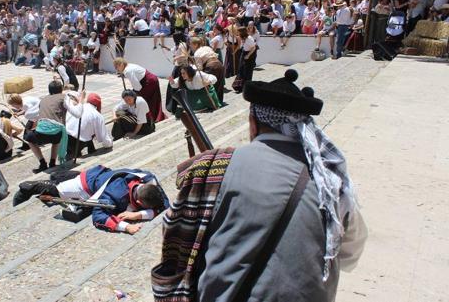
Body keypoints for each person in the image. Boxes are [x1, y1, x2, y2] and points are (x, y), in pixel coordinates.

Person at [152, 69, 367, 302]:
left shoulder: (216, 168)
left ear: (253, 121)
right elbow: (349, 254)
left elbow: (177, 229)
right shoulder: (331, 181)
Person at [12, 164, 169, 234]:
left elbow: (164, 203)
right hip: (84, 185)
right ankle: (30, 186)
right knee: (56, 190)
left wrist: (138, 215)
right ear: (140, 202)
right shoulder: (113, 195)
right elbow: (98, 216)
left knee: (60, 178)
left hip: (100, 175)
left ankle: (57, 175)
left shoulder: (149, 179)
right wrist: (125, 227)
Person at [24, 81, 84, 173]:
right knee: (57, 136)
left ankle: (42, 162)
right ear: (61, 90)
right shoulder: (64, 97)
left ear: (49, 90)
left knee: (29, 139)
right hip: (57, 133)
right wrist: (81, 101)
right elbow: (78, 114)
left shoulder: (43, 99)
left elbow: (30, 115)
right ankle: (52, 162)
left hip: (41, 131)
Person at [113, 58, 166, 123]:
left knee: (146, 100)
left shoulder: (127, 71)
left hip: (149, 82)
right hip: (151, 80)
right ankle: (155, 117)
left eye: (116, 67)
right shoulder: (128, 66)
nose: (116, 69)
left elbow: (137, 87)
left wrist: (132, 94)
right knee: (152, 100)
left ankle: (150, 118)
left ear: (121, 64)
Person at [66, 93, 113, 158]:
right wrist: (109, 144)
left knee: (87, 128)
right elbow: (105, 139)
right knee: (90, 129)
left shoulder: (79, 107)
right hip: (77, 142)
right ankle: (78, 153)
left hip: (65, 137)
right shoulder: (97, 115)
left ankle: (79, 152)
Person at [190, 37, 225, 103]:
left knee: (209, 85)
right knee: (219, 84)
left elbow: (200, 68)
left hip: (211, 66)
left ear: (196, 45)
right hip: (219, 64)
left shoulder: (197, 53)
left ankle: (212, 103)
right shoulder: (207, 47)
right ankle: (219, 101)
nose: (190, 46)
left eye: (191, 44)